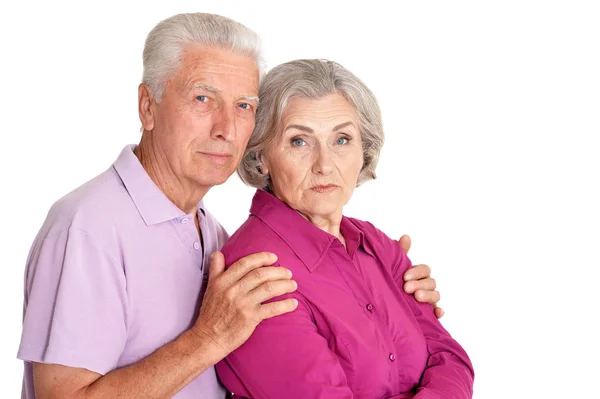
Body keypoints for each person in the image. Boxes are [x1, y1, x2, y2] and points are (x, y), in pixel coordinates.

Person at [17, 13, 442, 399]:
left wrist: (389, 300)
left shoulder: (212, 233)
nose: (225, 128)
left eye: (243, 107)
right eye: (203, 99)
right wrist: (209, 338)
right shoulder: (88, 229)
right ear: (148, 106)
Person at [216, 59, 474, 398]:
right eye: (299, 141)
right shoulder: (258, 269)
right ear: (261, 155)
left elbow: (454, 361)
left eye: (341, 139)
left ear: (363, 150)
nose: (324, 165)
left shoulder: (378, 246)